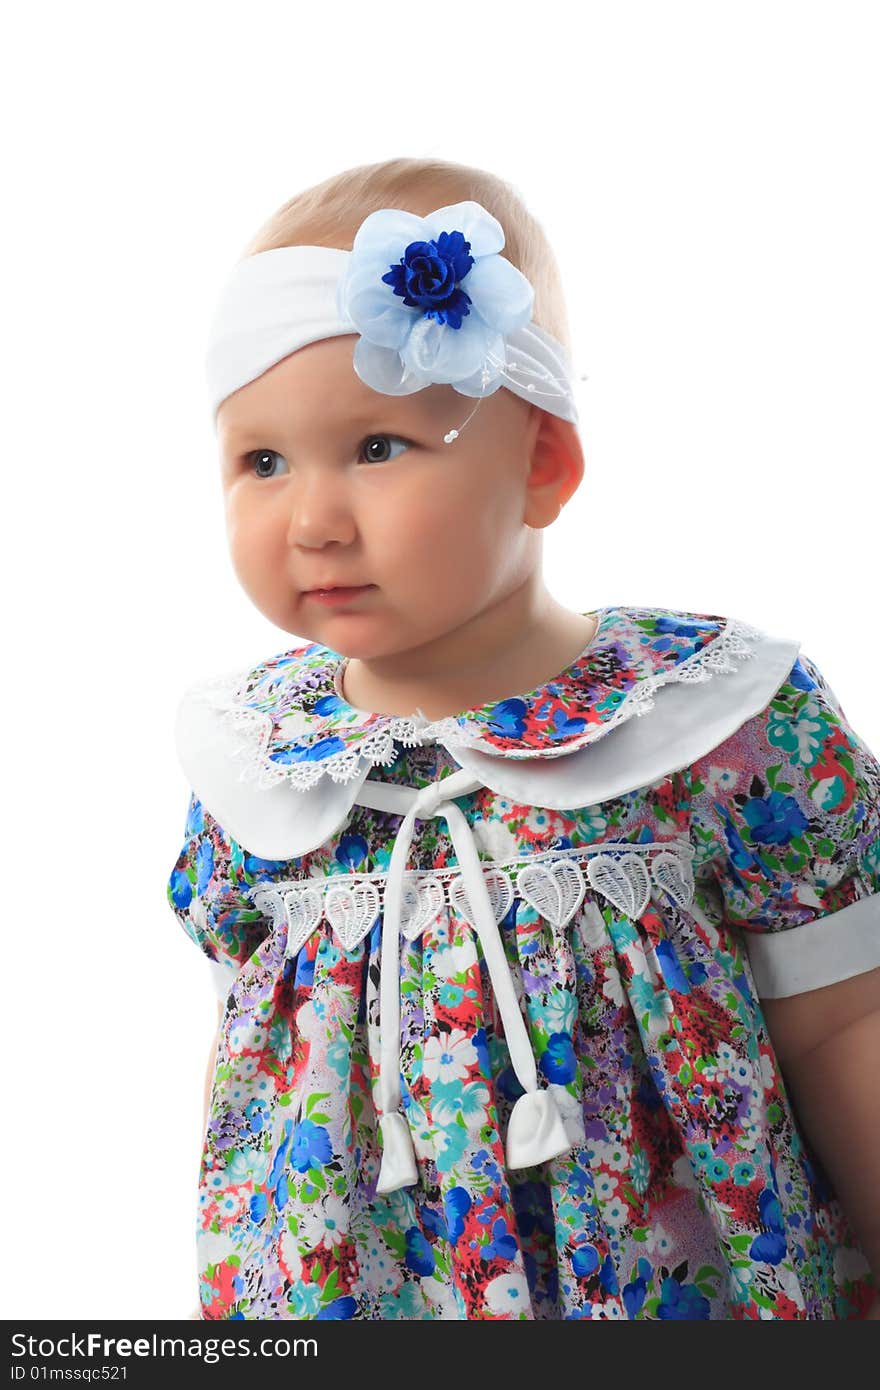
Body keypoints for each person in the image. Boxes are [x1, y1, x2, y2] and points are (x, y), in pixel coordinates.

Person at [167, 156, 880, 1320]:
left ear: (542, 463)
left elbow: (847, 1019)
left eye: (379, 446)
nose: (311, 520)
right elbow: (252, 1083)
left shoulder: (712, 724)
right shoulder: (259, 763)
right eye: (260, 461)